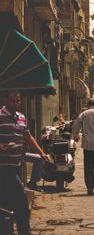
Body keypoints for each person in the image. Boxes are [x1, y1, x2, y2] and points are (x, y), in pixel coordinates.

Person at [0, 91, 49, 235]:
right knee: (22, 202)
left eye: (17, 101)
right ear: (6, 100)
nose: (15, 103)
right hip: (4, 167)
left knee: (6, 202)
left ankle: (7, 230)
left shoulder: (21, 117)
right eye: (12, 100)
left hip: (18, 166)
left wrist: (41, 153)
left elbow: (28, 137)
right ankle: (24, 231)